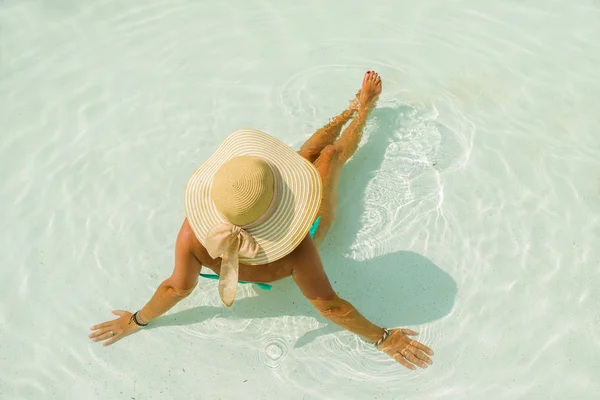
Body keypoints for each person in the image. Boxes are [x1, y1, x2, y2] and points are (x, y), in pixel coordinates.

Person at [89, 71, 434, 370]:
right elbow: (330, 305)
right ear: (281, 206)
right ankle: (363, 111)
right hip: (308, 229)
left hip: (255, 267)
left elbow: (174, 288)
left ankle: (349, 107)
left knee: (304, 155)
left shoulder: (194, 233)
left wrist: (137, 321)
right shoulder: (298, 247)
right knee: (330, 155)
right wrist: (383, 339)